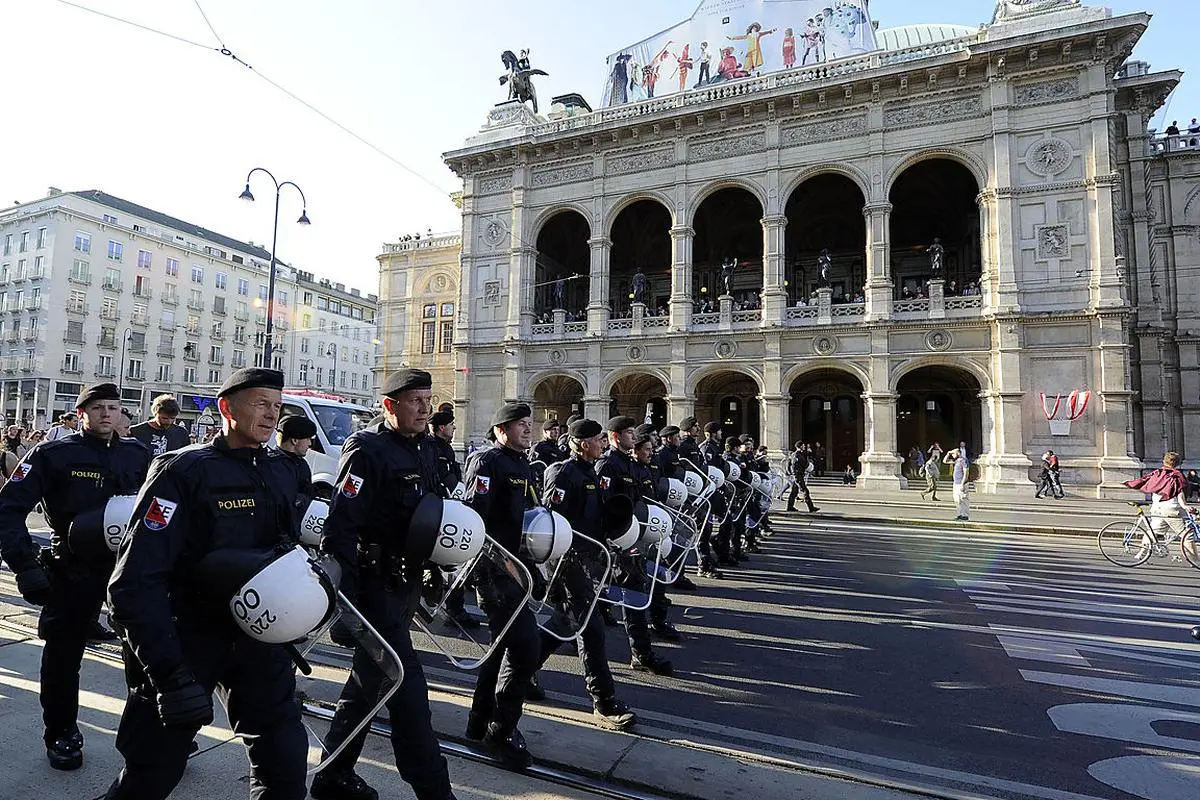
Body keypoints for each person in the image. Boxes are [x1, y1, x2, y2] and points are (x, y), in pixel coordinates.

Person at [103, 369, 311, 798]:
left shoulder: (283, 471)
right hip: (188, 639)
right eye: (260, 403)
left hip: (258, 638)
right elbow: (134, 579)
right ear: (226, 408)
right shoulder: (185, 470)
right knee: (152, 772)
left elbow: (287, 552)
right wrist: (167, 674)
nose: (272, 415)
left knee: (285, 765)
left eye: (277, 405)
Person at [312, 369, 458, 800]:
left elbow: (433, 511)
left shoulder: (430, 449)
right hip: (374, 585)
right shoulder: (367, 450)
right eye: (415, 401)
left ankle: (331, 776)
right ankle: (435, 790)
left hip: (407, 582)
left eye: (427, 401)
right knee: (408, 689)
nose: (425, 409)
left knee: (368, 684)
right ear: (390, 405)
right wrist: (345, 604)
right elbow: (339, 528)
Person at [0, 383, 151, 772]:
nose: (106, 414)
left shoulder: (138, 452)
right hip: (72, 567)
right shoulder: (52, 454)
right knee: (63, 657)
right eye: (97, 407)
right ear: (80, 412)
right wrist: (26, 567)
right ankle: (62, 732)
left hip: (127, 568)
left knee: (145, 654)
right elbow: (8, 510)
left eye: (114, 408)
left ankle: (147, 738)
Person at [538, 418, 638, 731]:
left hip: (586, 559)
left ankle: (521, 668)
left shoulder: (588, 472)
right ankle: (604, 701)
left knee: (563, 623)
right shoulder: (564, 472)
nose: (603, 444)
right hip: (568, 563)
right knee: (591, 630)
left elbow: (589, 519)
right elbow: (551, 521)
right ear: (584, 444)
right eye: (598, 440)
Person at [461, 403, 542, 769]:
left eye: (529, 424)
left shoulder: (523, 464)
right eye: (519, 425)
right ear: (499, 430)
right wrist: (491, 571)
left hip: (517, 568)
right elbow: (475, 520)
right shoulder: (487, 462)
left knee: (499, 649)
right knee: (524, 648)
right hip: (494, 570)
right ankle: (502, 729)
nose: (528, 429)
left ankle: (479, 723)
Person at [595, 416, 673, 676]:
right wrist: (615, 541)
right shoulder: (608, 465)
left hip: (634, 538)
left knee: (632, 595)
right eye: (629, 433)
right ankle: (640, 653)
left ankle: (641, 653)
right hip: (618, 542)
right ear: (616, 436)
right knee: (612, 596)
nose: (634, 436)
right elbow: (605, 505)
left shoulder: (629, 463)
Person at [425, 409, 476, 631]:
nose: (455, 429)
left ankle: (453, 609)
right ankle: (447, 607)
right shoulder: (430, 448)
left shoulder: (445, 448)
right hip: (438, 513)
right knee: (444, 566)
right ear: (442, 428)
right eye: (452, 425)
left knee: (452, 566)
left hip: (450, 511)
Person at [1124, 452, 1192, 544]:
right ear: (1178, 463)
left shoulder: (1157, 473)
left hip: (1157, 509)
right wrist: (1185, 506)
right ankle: (1194, 559)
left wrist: (1129, 483)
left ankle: (1141, 554)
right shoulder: (1177, 476)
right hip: (1171, 510)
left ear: (1164, 461)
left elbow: (1142, 480)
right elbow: (1180, 492)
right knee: (1187, 536)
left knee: (1152, 533)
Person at [785, 441, 818, 513]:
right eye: (803, 446)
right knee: (805, 491)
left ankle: (790, 507)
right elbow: (804, 464)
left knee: (794, 492)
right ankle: (811, 508)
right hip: (798, 476)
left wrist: (790, 473)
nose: (804, 447)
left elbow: (788, 464)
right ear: (800, 446)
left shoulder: (794, 454)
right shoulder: (798, 455)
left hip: (796, 476)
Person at [944, 448, 970, 521]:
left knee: (963, 499)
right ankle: (959, 514)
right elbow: (945, 461)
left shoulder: (963, 460)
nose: (952, 455)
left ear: (958, 453)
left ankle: (965, 515)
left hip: (962, 483)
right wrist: (948, 453)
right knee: (957, 499)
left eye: (953, 453)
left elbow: (966, 473)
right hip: (956, 483)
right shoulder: (956, 461)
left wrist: (962, 483)